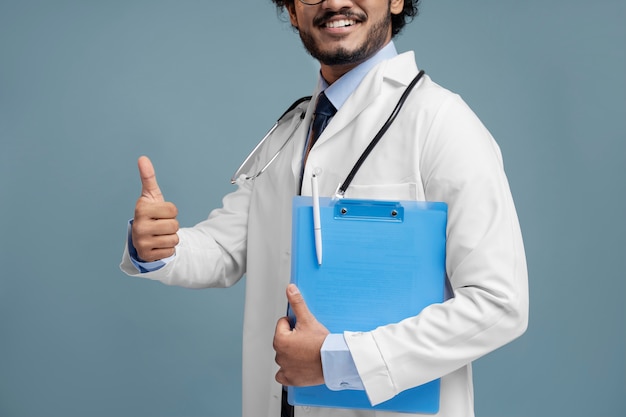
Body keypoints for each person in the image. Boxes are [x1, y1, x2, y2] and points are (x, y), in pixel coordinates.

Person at [120, 0, 529, 416]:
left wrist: (338, 360)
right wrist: (158, 247)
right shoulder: (294, 129)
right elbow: (228, 249)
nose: (334, 2)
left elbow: (499, 303)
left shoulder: (442, 122)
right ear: (293, 11)